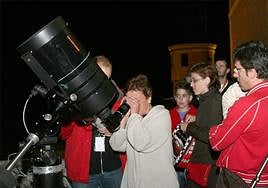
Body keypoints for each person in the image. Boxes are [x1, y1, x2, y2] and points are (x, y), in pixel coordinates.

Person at [209, 41, 268, 187]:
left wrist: (213, 129)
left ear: (252, 72)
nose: (235, 74)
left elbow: (216, 141)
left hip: (238, 179)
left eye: (238, 69)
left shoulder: (247, 104)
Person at [60, 55, 124, 188]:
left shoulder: (117, 97)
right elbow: (63, 134)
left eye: (107, 78)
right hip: (84, 173)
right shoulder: (73, 97)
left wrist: (114, 131)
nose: (103, 83)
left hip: (113, 169)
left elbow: (127, 133)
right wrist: (76, 118)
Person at [109, 74, 179, 188]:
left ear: (149, 98)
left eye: (136, 100)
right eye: (129, 100)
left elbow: (140, 143)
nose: (132, 105)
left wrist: (134, 116)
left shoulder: (161, 115)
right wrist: (124, 121)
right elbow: (117, 145)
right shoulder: (133, 120)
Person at [180, 62, 223, 188]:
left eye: (195, 80)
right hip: (202, 161)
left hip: (206, 164)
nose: (191, 84)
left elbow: (212, 137)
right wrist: (197, 119)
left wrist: (188, 127)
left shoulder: (213, 101)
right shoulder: (206, 99)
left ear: (207, 80)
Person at [169, 79, 197, 188]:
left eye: (184, 96)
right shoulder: (169, 114)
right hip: (176, 162)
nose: (180, 99)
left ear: (190, 98)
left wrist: (197, 119)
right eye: (178, 96)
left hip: (192, 161)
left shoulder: (196, 113)